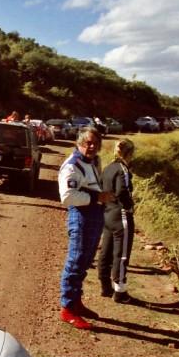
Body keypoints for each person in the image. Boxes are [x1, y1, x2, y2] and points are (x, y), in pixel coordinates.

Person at [58, 127, 115, 329]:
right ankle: (68, 309)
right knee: (76, 261)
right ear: (79, 142)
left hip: (94, 214)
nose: (92, 147)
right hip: (81, 215)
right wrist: (96, 197)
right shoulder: (72, 166)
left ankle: (76, 302)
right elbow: (67, 197)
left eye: (95, 143)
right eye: (88, 143)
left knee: (85, 261)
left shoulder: (92, 162)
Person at [98, 139, 136, 304]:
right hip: (121, 215)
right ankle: (120, 292)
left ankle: (105, 286)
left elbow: (101, 188)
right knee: (121, 254)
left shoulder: (107, 168)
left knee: (106, 250)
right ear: (129, 153)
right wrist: (130, 207)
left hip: (107, 213)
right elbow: (122, 190)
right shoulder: (123, 169)